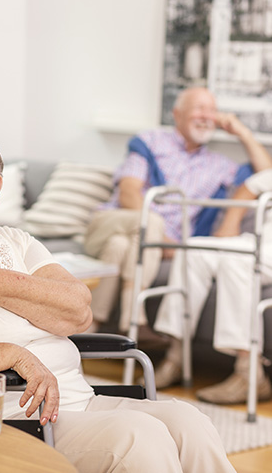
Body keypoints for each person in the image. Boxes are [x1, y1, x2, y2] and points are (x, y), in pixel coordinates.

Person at [0, 124, 236, 473]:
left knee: (188, 420)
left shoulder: (16, 242)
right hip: (7, 420)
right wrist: (11, 354)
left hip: (77, 403)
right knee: (139, 437)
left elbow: (77, 310)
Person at [83, 86, 270, 347]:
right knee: (151, 224)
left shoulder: (218, 166)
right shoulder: (150, 142)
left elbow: (267, 177)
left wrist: (243, 133)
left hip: (135, 240)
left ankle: (89, 332)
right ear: (177, 114)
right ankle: (134, 318)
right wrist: (163, 238)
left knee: (122, 247)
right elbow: (128, 194)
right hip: (112, 223)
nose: (207, 116)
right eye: (199, 108)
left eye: (212, 110)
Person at [153, 164, 272, 404]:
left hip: (261, 251)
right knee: (193, 250)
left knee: (236, 261)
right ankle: (176, 357)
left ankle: (250, 374)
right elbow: (251, 185)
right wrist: (230, 224)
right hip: (258, 242)